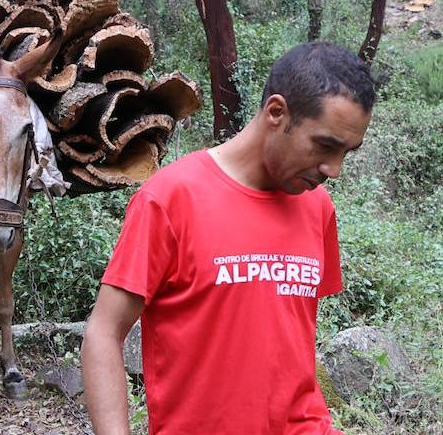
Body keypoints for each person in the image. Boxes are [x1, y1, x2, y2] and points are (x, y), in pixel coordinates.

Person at [82, 42, 375, 435]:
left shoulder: (317, 207)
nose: (334, 170)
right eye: (325, 145)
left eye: (347, 153)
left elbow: (282, 337)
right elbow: (103, 333)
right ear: (276, 112)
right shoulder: (170, 199)